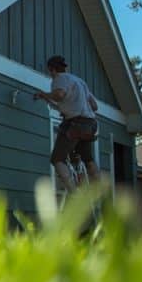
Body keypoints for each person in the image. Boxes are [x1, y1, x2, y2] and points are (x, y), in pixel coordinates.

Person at [34, 55, 100, 193]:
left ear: (52, 69)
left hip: (75, 124)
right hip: (90, 124)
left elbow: (59, 95)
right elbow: (94, 106)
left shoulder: (60, 79)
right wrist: (46, 98)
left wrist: (45, 93)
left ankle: (74, 193)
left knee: (57, 159)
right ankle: (98, 188)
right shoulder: (80, 82)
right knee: (88, 158)